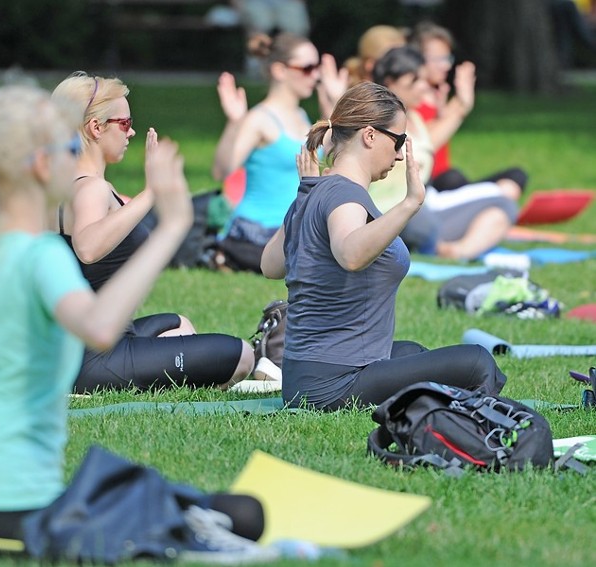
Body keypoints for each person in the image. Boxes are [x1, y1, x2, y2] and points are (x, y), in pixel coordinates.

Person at [0, 84, 271, 560]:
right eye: (68, 147)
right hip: (15, 509)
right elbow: (100, 329)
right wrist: (170, 226)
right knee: (244, 512)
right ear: (45, 165)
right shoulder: (40, 256)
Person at [259, 81, 507, 411]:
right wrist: (409, 204)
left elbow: (270, 266)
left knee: (413, 353)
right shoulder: (344, 193)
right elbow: (349, 255)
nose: (402, 152)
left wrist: (303, 194)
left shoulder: (317, 191)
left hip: (304, 378)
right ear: (370, 135)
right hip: (335, 384)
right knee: (476, 361)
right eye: (399, 140)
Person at [51, 72, 256, 392]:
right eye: (124, 122)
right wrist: (151, 194)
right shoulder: (91, 189)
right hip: (98, 361)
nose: (131, 131)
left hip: (69, 352)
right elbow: (87, 247)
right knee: (243, 355)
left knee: (179, 326)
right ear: (95, 128)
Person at [368, 46, 521, 259]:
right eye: (415, 81)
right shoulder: (374, 122)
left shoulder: (416, 122)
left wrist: (463, 104)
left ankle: (456, 252)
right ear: (391, 83)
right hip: (388, 214)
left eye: (424, 80)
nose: (423, 87)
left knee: (504, 205)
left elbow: (442, 127)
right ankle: (431, 242)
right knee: (419, 220)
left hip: (422, 212)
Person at [211, 32, 319, 272]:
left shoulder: (302, 117)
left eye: (317, 67)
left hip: (291, 230)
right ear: (280, 70)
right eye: (308, 68)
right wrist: (234, 123)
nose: (316, 75)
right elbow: (221, 171)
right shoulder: (259, 119)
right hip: (256, 232)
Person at [409, 21, 528, 195]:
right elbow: (423, 143)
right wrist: (461, 107)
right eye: (438, 59)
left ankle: (489, 204)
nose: (446, 66)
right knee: (453, 178)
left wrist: (458, 103)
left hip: (446, 181)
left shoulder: (437, 94)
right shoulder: (407, 100)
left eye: (448, 58)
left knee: (516, 176)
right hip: (427, 186)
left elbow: (442, 125)